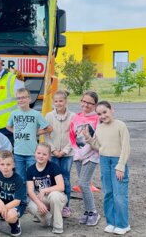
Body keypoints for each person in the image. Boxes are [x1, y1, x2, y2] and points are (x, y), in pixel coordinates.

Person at [84, 101, 131, 235]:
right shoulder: (99, 127)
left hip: (117, 162)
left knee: (119, 194)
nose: (103, 116)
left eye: (105, 112)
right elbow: (99, 147)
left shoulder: (120, 125)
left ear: (112, 110)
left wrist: (120, 166)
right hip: (104, 160)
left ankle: (123, 224)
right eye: (99, 114)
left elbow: (126, 147)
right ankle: (111, 222)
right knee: (108, 193)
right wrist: (88, 139)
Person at [6, 87, 52, 195]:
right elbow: (8, 126)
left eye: (23, 98)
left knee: (33, 176)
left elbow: (49, 128)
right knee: (20, 177)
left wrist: (34, 132)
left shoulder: (35, 114)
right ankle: (22, 198)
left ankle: (35, 197)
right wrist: (15, 131)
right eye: (18, 98)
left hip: (31, 152)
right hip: (18, 152)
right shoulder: (14, 114)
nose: (21, 100)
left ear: (29, 99)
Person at [69, 90, 100, 226]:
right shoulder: (76, 117)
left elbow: (95, 138)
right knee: (83, 184)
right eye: (84, 101)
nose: (86, 105)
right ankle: (87, 212)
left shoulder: (97, 119)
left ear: (95, 105)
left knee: (83, 183)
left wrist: (85, 152)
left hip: (91, 155)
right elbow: (71, 135)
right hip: (78, 155)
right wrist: (77, 151)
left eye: (89, 103)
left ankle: (93, 212)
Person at [44, 90, 75, 218]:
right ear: (53, 102)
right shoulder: (49, 116)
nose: (58, 103)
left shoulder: (73, 116)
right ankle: (52, 204)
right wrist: (53, 150)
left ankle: (65, 206)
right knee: (53, 179)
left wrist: (65, 151)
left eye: (61, 101)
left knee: (66, 179)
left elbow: (74, 136)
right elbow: (46, 135)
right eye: (56, 101)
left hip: (67, 154)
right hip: (54, 153)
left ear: (66, 101)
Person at [26, 143, 67, 234]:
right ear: (35, 153)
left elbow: (61, 187)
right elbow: (30, 190)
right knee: (31, 206)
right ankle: (47, 220)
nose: (41, 156)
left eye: (44, 154)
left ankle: (57, 226)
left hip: (57, 196)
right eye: (39, 153)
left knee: (54, 195)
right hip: (42, 198)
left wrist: (44, 190)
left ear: (49, 157)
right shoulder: (30, 169)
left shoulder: (53, 167)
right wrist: (39, 203)